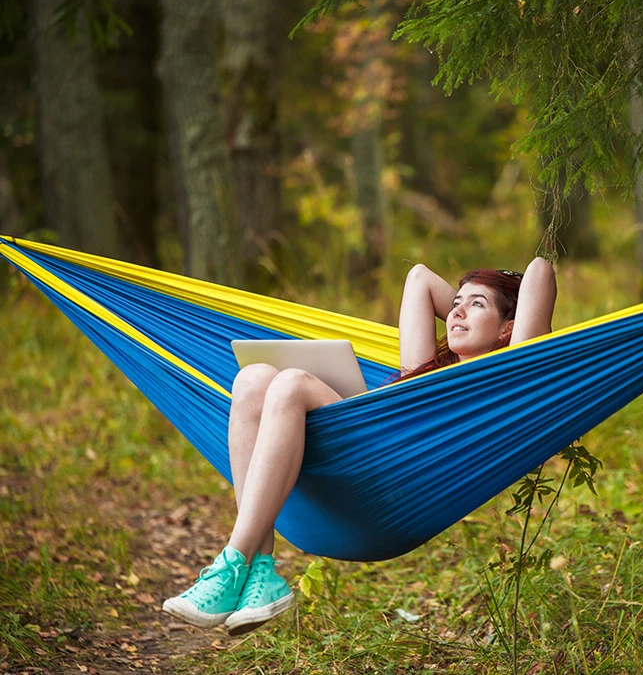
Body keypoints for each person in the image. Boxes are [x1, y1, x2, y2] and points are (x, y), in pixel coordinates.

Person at [162, 257, 556, 636]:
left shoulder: (506, 380)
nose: (456, 313)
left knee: (291, 383)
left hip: (394, 484)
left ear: (509, 328)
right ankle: (260, 570)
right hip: (364, 447)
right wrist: (475, 302)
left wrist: (508, 291)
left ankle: (230, 562)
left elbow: (540, 271)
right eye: (454, 304)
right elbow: (419, 277)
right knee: (252, 379)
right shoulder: (423, 365)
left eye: (476, 305)